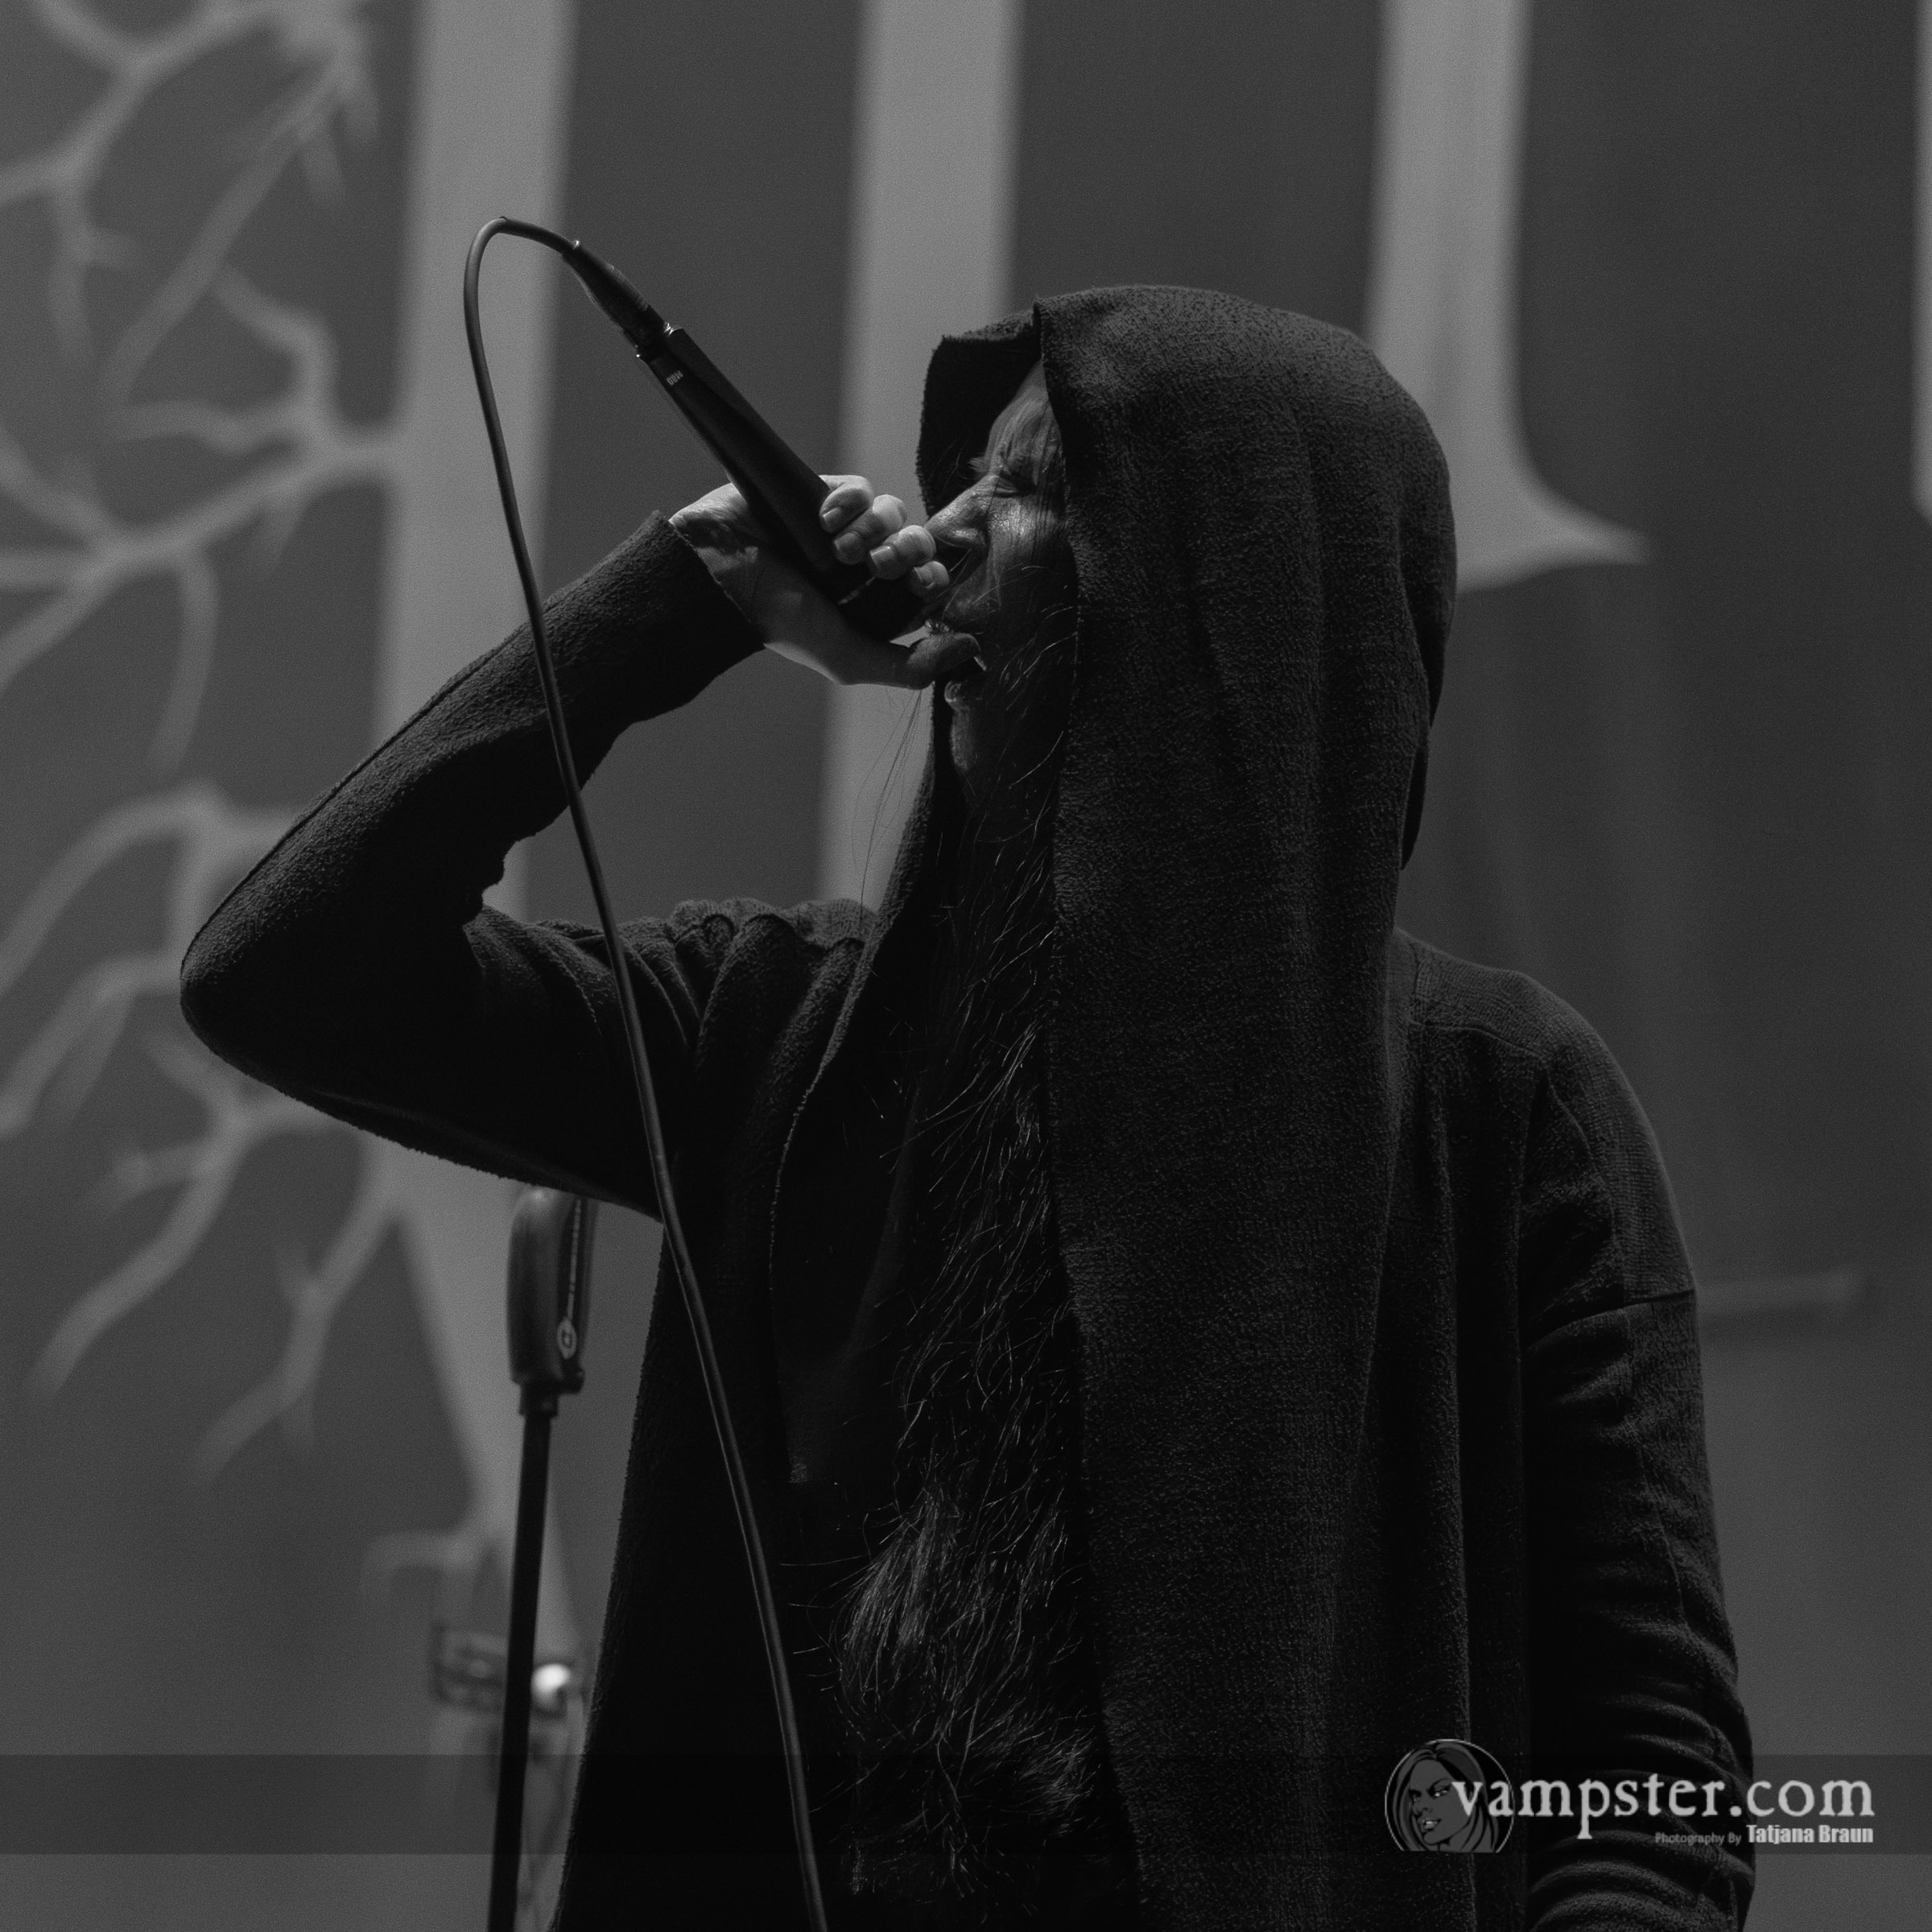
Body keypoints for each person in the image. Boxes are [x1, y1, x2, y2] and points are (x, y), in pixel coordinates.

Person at [180, 286, 1753, 1930]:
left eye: (1041, 490)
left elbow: (1653, 1781)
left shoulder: (1504, 1114)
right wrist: (680, 602)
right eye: (971, 479)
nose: (940, 535)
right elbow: (286, 971)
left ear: (1237, 599)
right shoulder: (775, 1028)